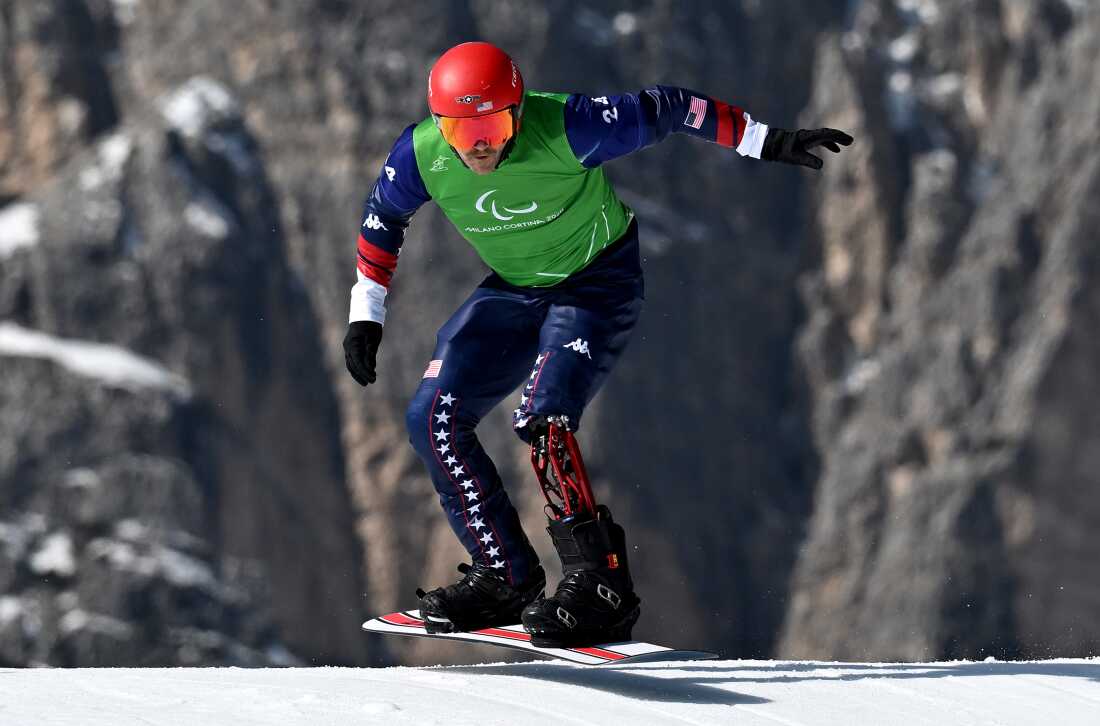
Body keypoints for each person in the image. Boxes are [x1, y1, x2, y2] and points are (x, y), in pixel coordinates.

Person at [343, 41, 851, 647]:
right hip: (514, 288)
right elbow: (382, 221)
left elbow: (668, 107)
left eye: (495, 124)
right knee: (431, 418)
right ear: (437, 124)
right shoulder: (420, 155)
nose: (479, 143)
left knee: (543, 417)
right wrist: (365, 314)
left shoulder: (570, 126)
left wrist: (765, 140)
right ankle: (504, 574)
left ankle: (600, 587)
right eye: (460, 128)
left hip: (596, 283)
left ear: (521, 111)